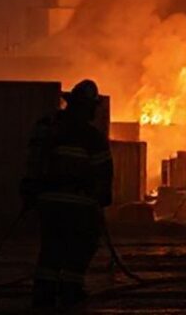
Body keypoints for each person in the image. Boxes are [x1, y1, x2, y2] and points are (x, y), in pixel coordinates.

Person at [21, 79, 114, 309]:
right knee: (82, 245)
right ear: (87, 107)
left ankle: (44, 295)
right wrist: (103, 198)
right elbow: (104, 173)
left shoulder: (47, 128)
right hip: (79, 205)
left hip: (48, 203)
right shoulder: (91, 136)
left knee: (51, 247)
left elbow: (33, 162)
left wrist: (30, 191)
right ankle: (71, 291)